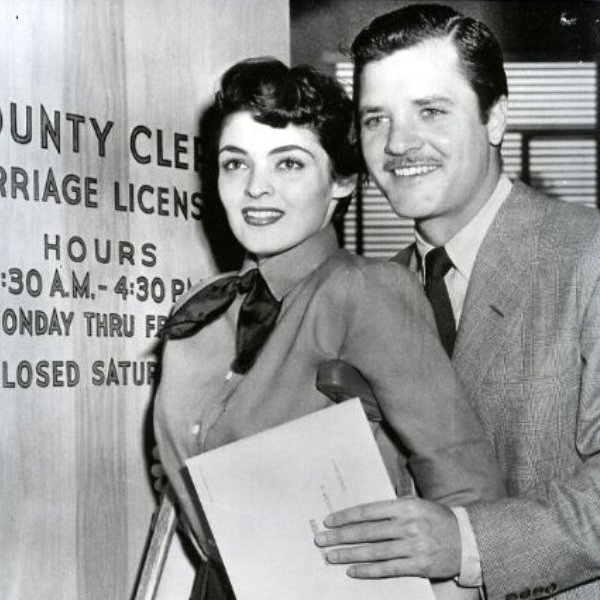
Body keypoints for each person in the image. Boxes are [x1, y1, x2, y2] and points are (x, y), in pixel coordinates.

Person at [153, 57, 505, 599]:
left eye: (289, 164)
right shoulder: (199, 312)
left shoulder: (365, 291)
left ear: (342, 180)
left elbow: (466, 488)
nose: (256, 188)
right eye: (235, 163)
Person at [314, 4, 600, 600]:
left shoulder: (587, 255)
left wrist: (468, 543)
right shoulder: (361, 293)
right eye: (376, 119)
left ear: (495, 117)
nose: (398, 143)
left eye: (431, 111)